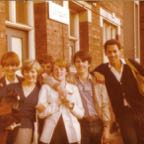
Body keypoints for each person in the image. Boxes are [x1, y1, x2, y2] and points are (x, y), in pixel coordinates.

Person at [94, 39, 144, 144]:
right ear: (105, 53)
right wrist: (95, 74)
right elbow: (89, 73)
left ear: (120, 51)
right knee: (130, 141)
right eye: (109, 52)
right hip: (123, 115)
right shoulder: (103, 68)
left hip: (141, 109)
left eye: (115, 51)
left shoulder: (130, 64)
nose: (112, 54)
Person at [37, 59, 84, 144]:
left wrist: (71, 106)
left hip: (72, 134)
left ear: (66, 72)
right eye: (56, 69)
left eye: (62, 69)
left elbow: (81, 114)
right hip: (51, 134)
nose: (59, 72)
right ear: (52, 72)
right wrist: (57, 103)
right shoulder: (45, 88)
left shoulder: (74, 88)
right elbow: (41, 114)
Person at [0, 59, 41, 144]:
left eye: (33, 72)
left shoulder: (40, 91)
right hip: (7, 126)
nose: (30, 75)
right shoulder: (11, 87)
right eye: (26, 72)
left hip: (26, 127)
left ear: (37, 73)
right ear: (23, 73)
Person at [0, 51, 22, 144]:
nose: (10, 68)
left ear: (17, 66)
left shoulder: (23, 82)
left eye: (13, 65)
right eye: (7, 65)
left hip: (21, 126)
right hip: (3, 128)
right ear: (2, 67)